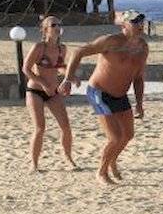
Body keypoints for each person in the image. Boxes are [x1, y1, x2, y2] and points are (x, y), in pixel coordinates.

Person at [59, 10, 150, 186]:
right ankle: (101, 172)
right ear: (124, 25)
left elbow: (138, 78)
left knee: (128, 135)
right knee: (115, 137)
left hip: (120, 95)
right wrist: (68, 79)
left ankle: (112, 161)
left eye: (141, 21)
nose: (140, 25)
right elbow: (78, 51)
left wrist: (139, 103)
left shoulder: (142, 47)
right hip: (99, 92)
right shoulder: (111, 41)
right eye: (135, 22)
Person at [21, 15, 78, 172]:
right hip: (35, 91)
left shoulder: (62, 48)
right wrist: (43, 83)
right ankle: (34, 163)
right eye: (54, 25)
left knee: (66, 127)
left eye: (59, 25)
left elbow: (60, 67)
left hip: (53, 92)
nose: (58, 28)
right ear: (45, 29)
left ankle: (68, 158)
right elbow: (25, 69)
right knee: (40, 127)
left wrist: (71, 77)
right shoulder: (39, 47)